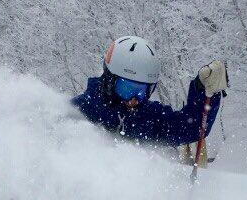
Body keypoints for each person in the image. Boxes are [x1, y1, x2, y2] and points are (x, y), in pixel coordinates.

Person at [71, 36, 227, 147]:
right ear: (109, 80)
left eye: (144, 91)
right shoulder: (79, 111)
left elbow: (192, 128)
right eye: (128, 89)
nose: (134, 100)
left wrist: (203, 91)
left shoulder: (148, 117)